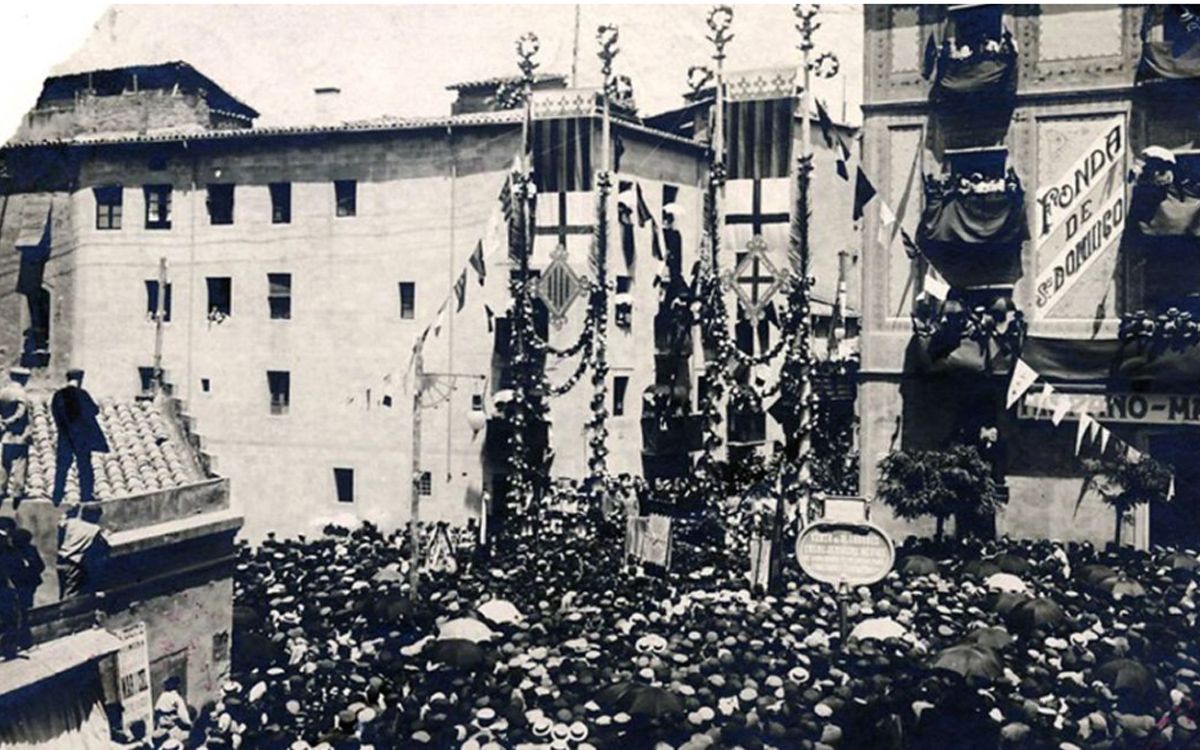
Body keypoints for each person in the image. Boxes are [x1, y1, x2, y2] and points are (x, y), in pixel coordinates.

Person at [50, 368, 110, 505]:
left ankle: (57, 495)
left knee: (62, 466)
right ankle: (86, 495)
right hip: (81, 437)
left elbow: (54, 413)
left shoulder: (58, 395)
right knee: (84, 465)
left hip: (64, 436)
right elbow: (94, 410)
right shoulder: (82, 394)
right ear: (81, 379)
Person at [57, 502, 109, 598]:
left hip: (60, 560)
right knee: (70, 593)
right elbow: (103, 545)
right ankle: (67, 612)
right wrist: (105, 535)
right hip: (73, 565)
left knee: (61, 589)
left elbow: (61, 523)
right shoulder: (94, 529)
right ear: (94, 516)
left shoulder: (71, 522)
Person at [0, 367, 31, 506]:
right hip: (19, 435)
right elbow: (21, 413)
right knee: (20, 462)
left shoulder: (3, 392)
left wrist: (2, 423)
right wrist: (9, 422)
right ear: (23, 379)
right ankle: (18, 490)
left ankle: (1, 488)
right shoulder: (21, 393)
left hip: (6, 436)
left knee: (4, 463)